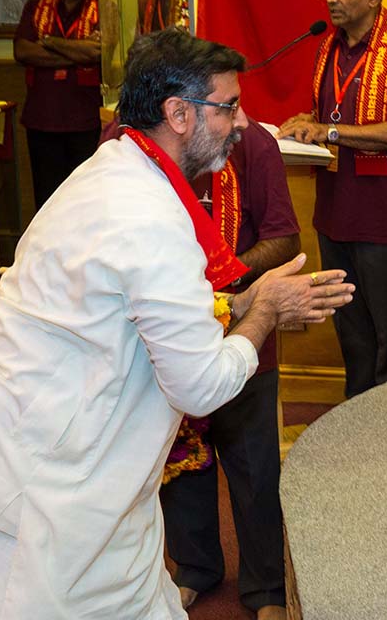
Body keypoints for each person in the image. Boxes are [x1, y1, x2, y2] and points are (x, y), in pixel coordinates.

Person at [0, 28, 354, 620]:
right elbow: (198, 385)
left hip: (76, 449)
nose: (244, 122)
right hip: (33, 470)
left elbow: (133, 312)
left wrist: (242, 305)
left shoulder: (120, 166)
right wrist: (266, 313)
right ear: (178, 113)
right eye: (228, 107)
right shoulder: (148, 215)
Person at [159, 116, 300, 619]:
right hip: (169, 333)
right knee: (180, 460)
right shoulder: (131, 146)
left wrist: (219, 278)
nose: (238, 117)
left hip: (245, 333)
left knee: (255, 469)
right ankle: (195, 567)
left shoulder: (253, 143)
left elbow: (285, 239)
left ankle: (266, 588)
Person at [278, 0, 387, 398]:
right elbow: (335, 115)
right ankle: (355, 423)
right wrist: (305, 124)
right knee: (352, 331)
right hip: (336, 214)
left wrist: (326, 128)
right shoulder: (328, 48)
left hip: (385, 220)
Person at [13, 0, 105, 209]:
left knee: (85, 202)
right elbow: (22, 52)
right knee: (48, 202)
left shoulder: (104, 9)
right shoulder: (35, 5)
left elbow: (96, 53)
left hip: (85, 124)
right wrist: (77, 51)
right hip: (42, 122)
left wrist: (51, 43)